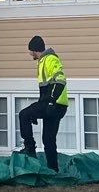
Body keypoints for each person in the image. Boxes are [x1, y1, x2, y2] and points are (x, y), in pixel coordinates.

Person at [18, 36, 68, 170]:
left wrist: (51, 102)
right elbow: (45, 90)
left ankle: (29, 147)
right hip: (57, 105)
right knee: (48, 140)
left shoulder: (50, 59)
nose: (29, 54)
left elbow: (60, 80)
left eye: (30, 51)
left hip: (54, 104)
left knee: (23, 114)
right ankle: (53, 170)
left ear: (34, 50)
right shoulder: (42, 61)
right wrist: (39, 109)